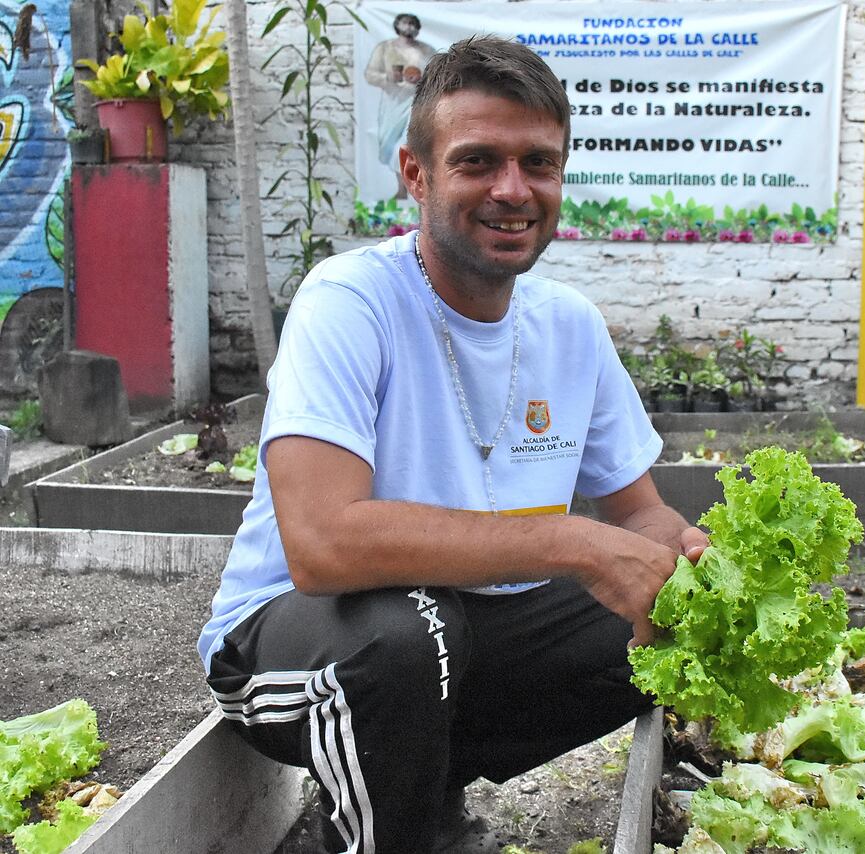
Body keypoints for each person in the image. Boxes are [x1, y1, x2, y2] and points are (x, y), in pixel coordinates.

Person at [197, 35, 708, 854]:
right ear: (416, 174)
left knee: (661, 624)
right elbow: (322, 546)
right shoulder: (350, 301)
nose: (513, 190)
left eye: (538, 163)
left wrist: (685, 561)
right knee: (408, 632)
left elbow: (639, 513)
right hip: (294, 648)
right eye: (478, 161)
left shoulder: (568, 324)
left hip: (457, 638)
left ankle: (416, 775)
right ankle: (396, 833)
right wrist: (574, 542)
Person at [363, 13, 434, 198]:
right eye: (405, 22)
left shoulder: (427, 50)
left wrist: (422, 79)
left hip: (418, 104)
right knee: (389, 145)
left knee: (405, 145)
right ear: (397, 25)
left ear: (417, 27)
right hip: (392, 104)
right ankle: (401, 187)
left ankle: (407, 189)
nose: (409, 26)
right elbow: (370, 74)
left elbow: (437, 75)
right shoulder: (385, 48)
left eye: (412, 23)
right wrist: (388, 78)